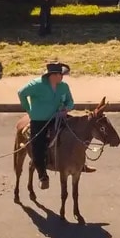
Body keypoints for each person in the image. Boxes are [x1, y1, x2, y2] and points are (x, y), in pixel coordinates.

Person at [18, 61, 74, 190]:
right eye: (61, 75)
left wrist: (67, 108)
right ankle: (42, 175)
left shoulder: (63, 86)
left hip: (58, 117)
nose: (63, 77)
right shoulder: (36, 85)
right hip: (39, 120)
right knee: (38, 146)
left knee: (74, 134)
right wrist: (29, 110)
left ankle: (79, 163)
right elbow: (21, 92)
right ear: (53, 75)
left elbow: (70, 101)